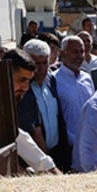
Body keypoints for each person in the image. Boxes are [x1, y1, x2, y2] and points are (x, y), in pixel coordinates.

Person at [1, 49, 60, 175]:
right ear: (6, 75)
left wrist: (49, 168)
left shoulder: (22, 99)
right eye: (22, 80)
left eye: (28, 81)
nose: (26, 87)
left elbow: (23, 136)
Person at [21, 39, 70, 171]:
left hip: (56, 153)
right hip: (37, 160)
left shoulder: (51, 81)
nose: (41, 69)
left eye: (45, 63)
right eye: (37, 64)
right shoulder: (22, 90)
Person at [55, 36, 95, 149]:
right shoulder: (54, 80)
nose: (79, 56)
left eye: (82, 52)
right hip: (67, 147)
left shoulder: (87, 78)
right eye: (75, 52)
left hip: (90, 144)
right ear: (63, 54)